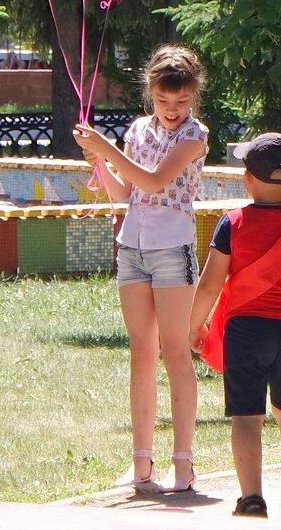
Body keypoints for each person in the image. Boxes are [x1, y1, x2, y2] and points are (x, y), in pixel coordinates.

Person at [73, 45, 209, 493]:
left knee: (175, 351)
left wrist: (106, 148)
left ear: (193, 97)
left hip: (172, 247)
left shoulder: (196, 136)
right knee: (141, 354)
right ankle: (140, 463)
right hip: (131, 246)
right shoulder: (137, 130)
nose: (172, 110)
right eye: (164, 100)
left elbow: (154, 181)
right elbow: (126, 192)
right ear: (150, 92)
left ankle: (184, 463)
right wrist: (97, 159)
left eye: (182, 101)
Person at [188, 132, 281, 519]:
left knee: (246, 415)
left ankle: (252, 498)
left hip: (245, 330)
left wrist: (196, 325)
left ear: (247, 179)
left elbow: (209, 283)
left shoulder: (232, 223)